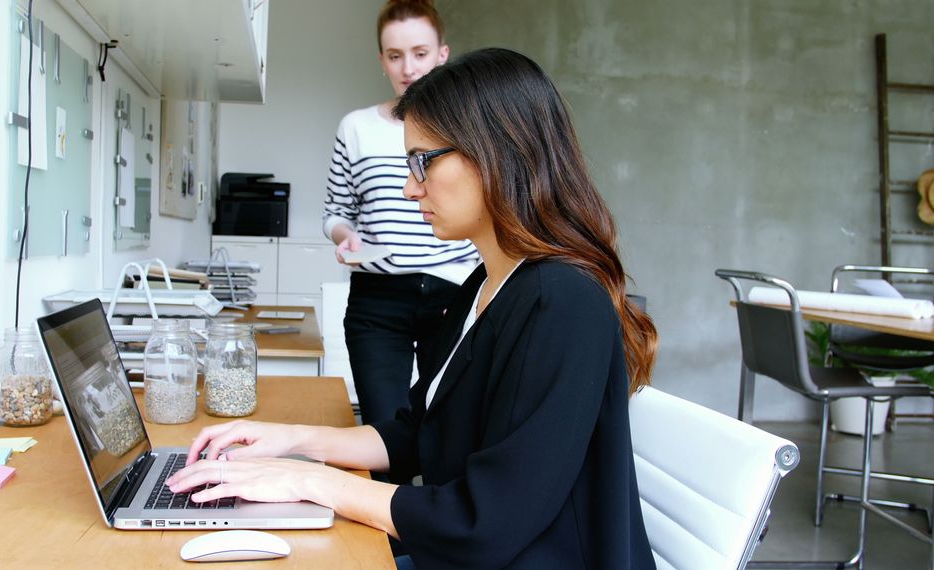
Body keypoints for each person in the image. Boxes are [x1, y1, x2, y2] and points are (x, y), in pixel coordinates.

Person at [169, 47, 659, 569]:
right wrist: (289, 441)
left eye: (422, 162)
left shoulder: (561, 300)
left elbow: (485, 522)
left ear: (497, 150)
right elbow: (415, 433)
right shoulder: (484, 285)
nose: (410, 188)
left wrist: (308, 479)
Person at [322, 0, 479, 426]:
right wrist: (344, 237)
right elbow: (335, 212)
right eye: (395, 56)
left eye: (420, 53)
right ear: (382, 61)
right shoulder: (356, 128)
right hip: (378, 299)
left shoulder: (470, 129)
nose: (408, 68)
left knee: (448, 431)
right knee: (384, 432)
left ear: (442, 55)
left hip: (454, 294)